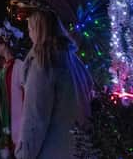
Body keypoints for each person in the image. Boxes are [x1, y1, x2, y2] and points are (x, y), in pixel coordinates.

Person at [15, 10, 93, 159]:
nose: (29, 34)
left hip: (53, 150)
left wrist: (24, 154)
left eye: (30, 29)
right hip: (79, 149)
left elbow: (35, 116)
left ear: (39, 30)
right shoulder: (73, 59)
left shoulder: (43, 64)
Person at [0, 21, 25, 157]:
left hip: (19, 121)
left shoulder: (19, 66)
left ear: (4, 44)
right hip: (8, 121)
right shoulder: (2, 67)